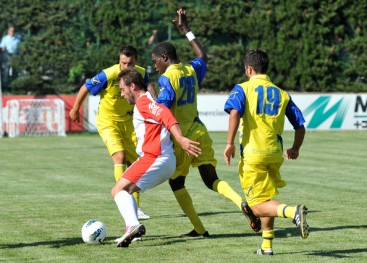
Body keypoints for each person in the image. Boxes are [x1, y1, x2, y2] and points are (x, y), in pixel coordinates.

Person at [151, 9, 261, 237]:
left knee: (177, 183)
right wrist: (187, 31)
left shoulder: (167, 77)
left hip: (183, 137)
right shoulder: (191, 70)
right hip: (200, 131)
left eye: (155, 62)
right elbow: (203, 56)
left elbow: (162, 109)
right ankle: (241, 203)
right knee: (211, 178)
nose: (154, 66)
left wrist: (150, 94)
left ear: (163, 58)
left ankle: (200, 230)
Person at [223, 49, 309, 255]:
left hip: (253, 154)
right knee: (267, 198)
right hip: (275, 154)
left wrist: (229, 143)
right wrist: (295, 148)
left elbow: (234, 112)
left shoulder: (242, 88)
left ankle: (292, 211)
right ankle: (266, 246)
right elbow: (300, 126)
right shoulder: (282, 93)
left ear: (249, 69)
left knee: (256, 206)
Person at [112, 68, 201, 247]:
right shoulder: (146, 101)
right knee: (126, 191)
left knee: (117, 191)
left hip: (155, 157)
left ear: (133, 86)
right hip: (161, 159)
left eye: (122, 89)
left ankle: (133, 225)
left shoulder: (143, 102)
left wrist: (181, 139)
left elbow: (165, 114)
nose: (122, 94)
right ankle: (132, 229)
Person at [69, 45, 152, 220]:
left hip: (129, 123)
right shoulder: (109, 74)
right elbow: (86, 87)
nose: (126, 67)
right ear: (119, 61)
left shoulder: (141, 74)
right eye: (123, 63)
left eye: (130, 63)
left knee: (137, 162)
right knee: (120, 157)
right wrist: (75, 108)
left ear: (135, 62)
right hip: (108, 122)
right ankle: (124, 201)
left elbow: (150, 92)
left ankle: (136, 208)